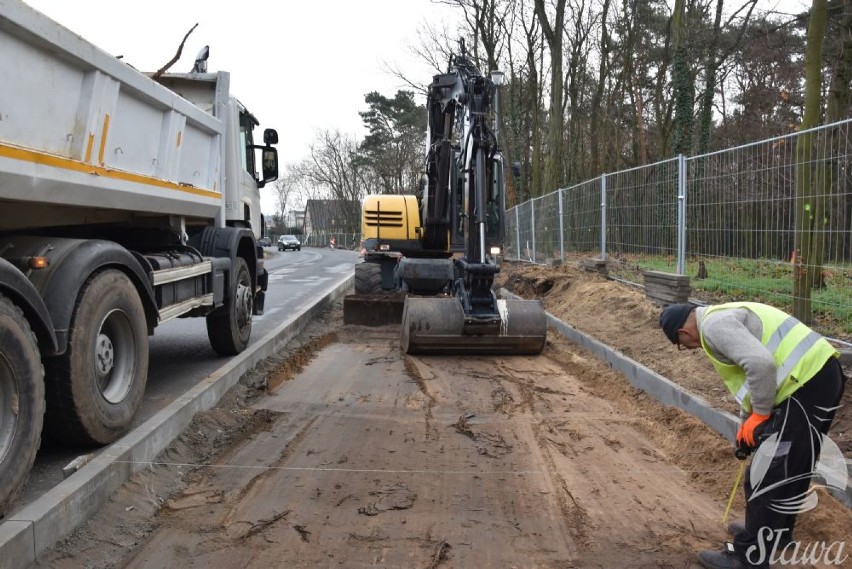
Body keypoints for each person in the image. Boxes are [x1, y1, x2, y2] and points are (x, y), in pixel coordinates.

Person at [659, 302, 846, 569]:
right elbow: (751, 379)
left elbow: (761, 365)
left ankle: (748, 557)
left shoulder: (713, 327)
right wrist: (747, 424)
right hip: (818, 377)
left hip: (805, 384)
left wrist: (760, 415)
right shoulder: (720, 316)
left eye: (680, 345)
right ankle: (776, 534)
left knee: (767, 473)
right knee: (793, 465)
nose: (688, 349)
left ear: (682, 333)